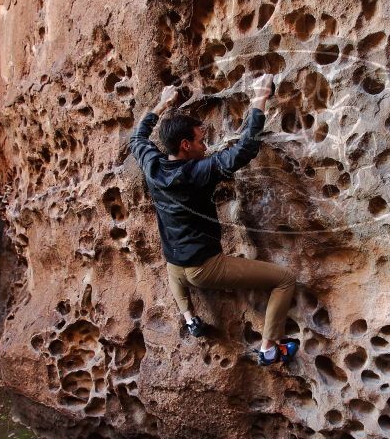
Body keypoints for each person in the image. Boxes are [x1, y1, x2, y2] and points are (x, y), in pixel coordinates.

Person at [128, 74, 298, 367]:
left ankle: (190, 319)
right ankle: (269, 349)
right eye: (201, 141)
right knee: (285, 279)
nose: (205, 147)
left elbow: (137, 138)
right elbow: (243, 150)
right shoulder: (197, 172)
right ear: (184, 145)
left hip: (174, 261)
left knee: (175, 271)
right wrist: (259, 97)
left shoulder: (152, 164)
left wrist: (161, 104)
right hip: (204, 268)